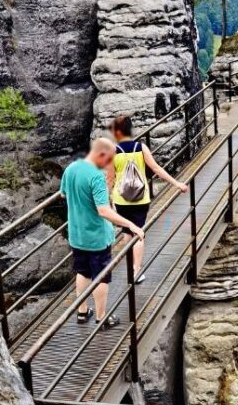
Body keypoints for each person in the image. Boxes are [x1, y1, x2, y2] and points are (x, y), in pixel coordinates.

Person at [60, 138, 145, 329]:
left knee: (82, 271)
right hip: (97, 236)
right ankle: (101, 318)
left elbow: (63, 194)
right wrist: (131, 225)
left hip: (76, 233)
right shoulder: (96, 176)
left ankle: (82, 312)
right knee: (101, 276)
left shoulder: (71, 168)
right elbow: (104, 211)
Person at [110, 114, 188, 284]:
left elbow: (110, 179)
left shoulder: (113, 151)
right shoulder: (141, 147)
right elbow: (156, 168)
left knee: (126, 232)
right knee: (138, 232)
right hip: (140, 197)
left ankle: (131, 267)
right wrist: (177, 184)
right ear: (130, 129)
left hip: (121, 199)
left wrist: (108, 203)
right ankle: (136, 271)